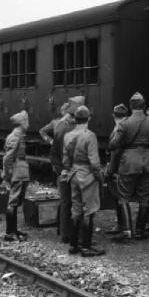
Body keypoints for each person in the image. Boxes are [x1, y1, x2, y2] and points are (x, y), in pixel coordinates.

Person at [108, 92, 149, 240]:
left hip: (129, 162)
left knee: (123, 195)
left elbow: (113, 144)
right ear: (144, 106)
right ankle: (140, 231)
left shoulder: (124, 123)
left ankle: (127, 230)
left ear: (130, 106)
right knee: (145, 197)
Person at [63, 105, 105, 257]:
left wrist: (69, 171)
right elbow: (94, 163)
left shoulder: (68, 135)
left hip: (73, 174)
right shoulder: (90, 136)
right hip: (87, 176)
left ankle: (74, 245)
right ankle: (86, 247)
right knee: (90, 210)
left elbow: (65, 159)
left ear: (75, 119)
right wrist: (100, 178)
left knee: (76, 210)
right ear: (88, 119)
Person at [104, 103, 132, 240]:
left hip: (119, 166)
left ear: (114, 116)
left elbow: (115, 151)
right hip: (125, 164)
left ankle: (126, 228)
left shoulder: (119, 128)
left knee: (121, 197)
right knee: (120, 197)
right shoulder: (129, 125)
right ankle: (122, 226)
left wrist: (110, 170)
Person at [2, 110, 30, 241]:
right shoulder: (15, 136)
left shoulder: (19, 135)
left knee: (16, 202)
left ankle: (14, 230)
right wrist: (7, 174)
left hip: (21, 172)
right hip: (17, 172)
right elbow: (8, 158)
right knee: (13, 202)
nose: (28, 124)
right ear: (22, 123)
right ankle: (9, 233)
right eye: (27, 121)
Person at [51, 101, 76, 243]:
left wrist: (60, 170)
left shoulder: (59, 129)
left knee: (65, 202)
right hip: (76, 172)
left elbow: (53, 153)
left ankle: (64, 233)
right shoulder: (77, 132)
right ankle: (75, 235)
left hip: (63, 171)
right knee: (78, 203)